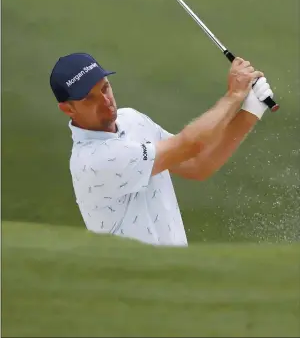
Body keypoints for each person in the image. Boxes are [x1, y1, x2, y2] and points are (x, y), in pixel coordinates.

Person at [50, 52, 273, 246]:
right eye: (90, 98)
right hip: (138, 288)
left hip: (176, 279)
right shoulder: (94, 161)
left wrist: (252, 108)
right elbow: (189, 143)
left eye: (105, 88)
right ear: (67, 108)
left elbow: (197, 165)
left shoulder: (132, 119)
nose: (105, 100)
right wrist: (234, 96)